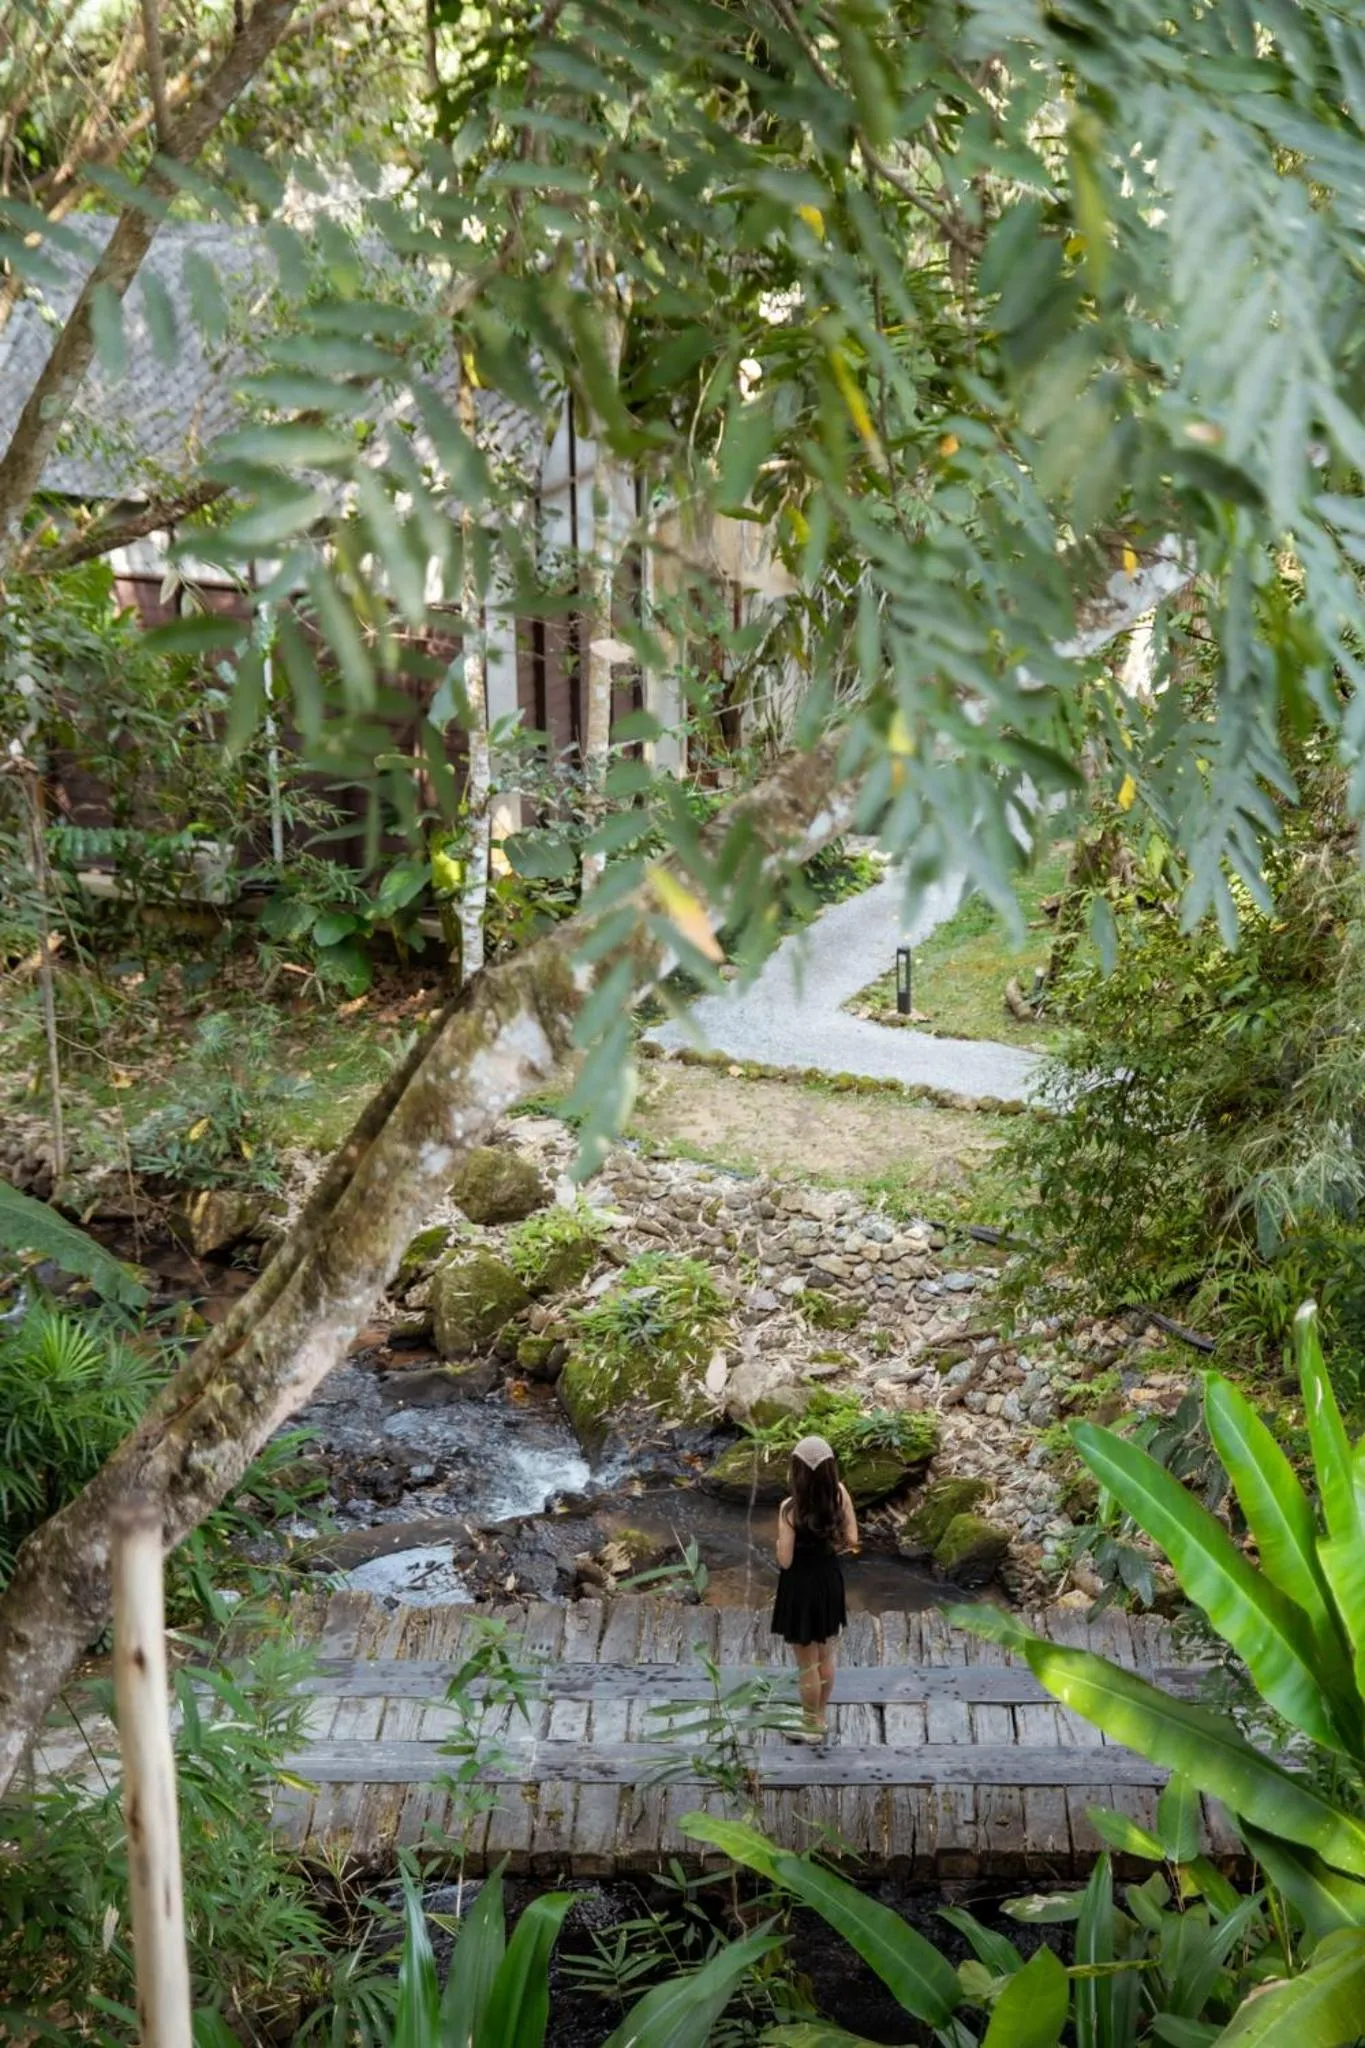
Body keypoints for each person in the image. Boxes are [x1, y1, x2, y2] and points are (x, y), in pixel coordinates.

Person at [770, 1434, 859, 1745]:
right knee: (825, 1654)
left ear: (798, 1473)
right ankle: (819, 1716)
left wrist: (779, 1542)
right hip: (829, 1580)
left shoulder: (789, 1509)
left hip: (801, 1587)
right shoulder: (840, 1495)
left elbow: (785, 1559)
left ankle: (810, 1726)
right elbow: (852, 1540)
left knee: (806, 1661)